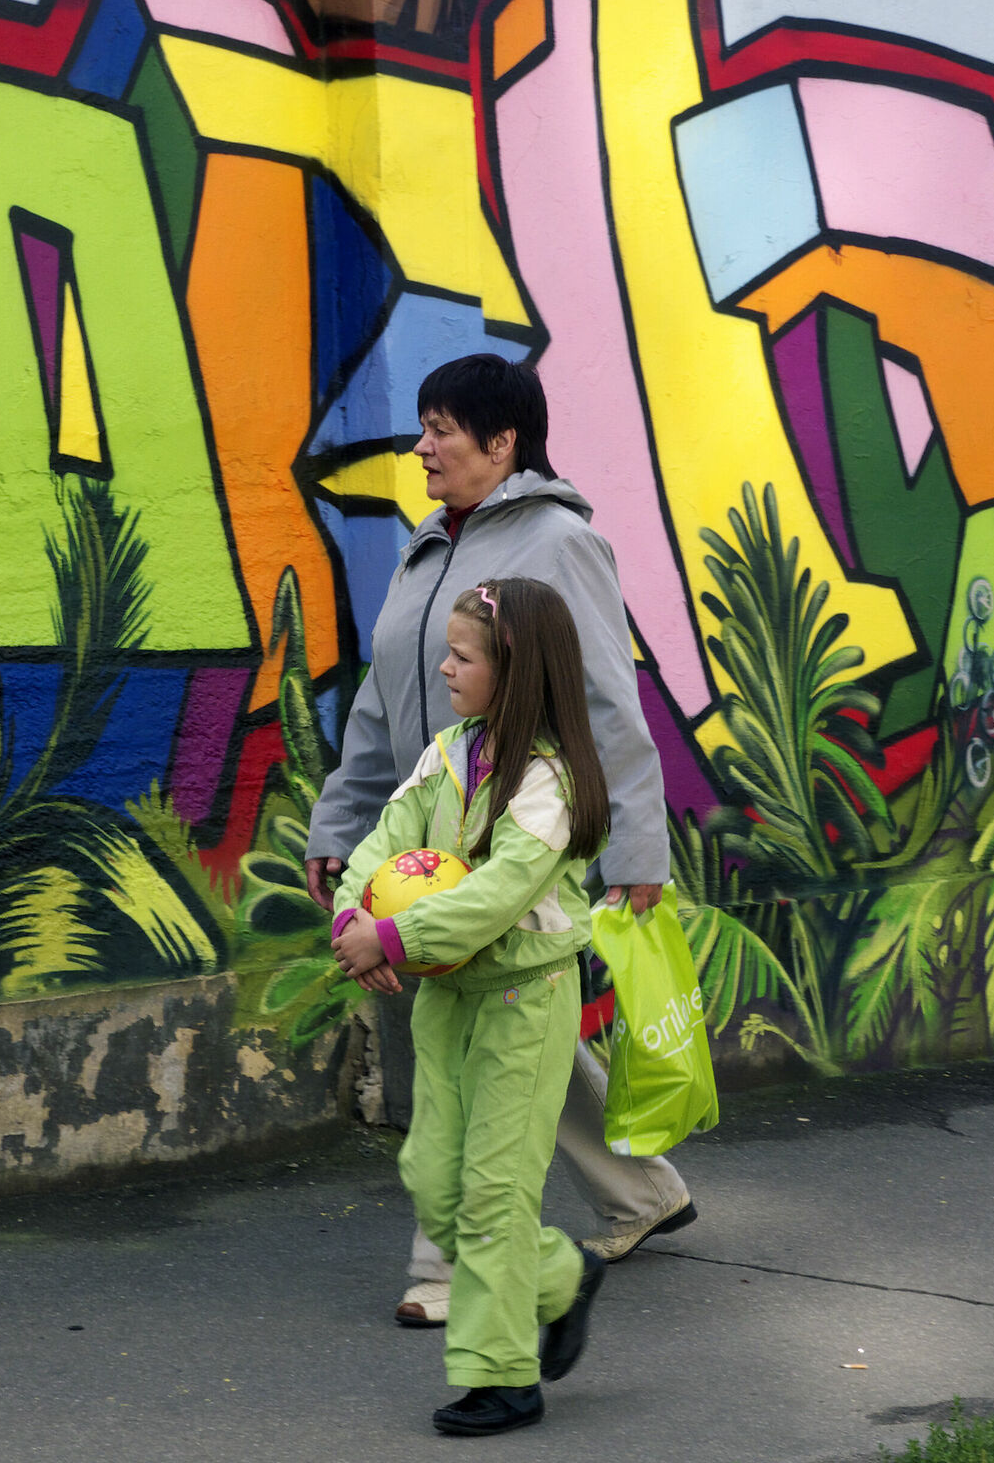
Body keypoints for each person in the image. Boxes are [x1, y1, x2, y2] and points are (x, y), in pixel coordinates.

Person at [302, 354, 693, 1330]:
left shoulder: (560, 542)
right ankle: (642, 1193)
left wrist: (639, 846)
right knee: (509, 1023)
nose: (422, 446)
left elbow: (609, 695)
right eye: (424, 426)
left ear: (502, 440)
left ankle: (447, 1274)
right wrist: (339, 822)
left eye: (442, 428)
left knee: (470, 1049)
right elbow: (381, 702)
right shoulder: (429, 547)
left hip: (521, 833)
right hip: (432, 843)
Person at [332, 578, 611, 1435]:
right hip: (449, 999)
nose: (445, 667)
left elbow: (495, 896)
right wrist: (353, 915)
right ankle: (561, 1275)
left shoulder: (550, 783)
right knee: (433, 1179)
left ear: (514, 672)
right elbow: (386, 839)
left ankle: (503, 1378)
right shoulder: (449, 754)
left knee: (493, 1194)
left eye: (462, 656)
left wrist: (394, 937)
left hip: (526, 1001)